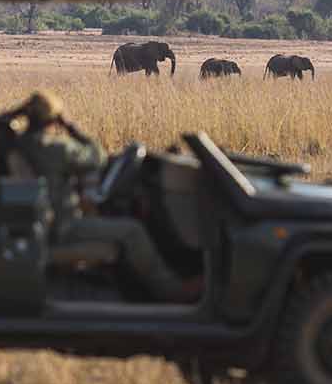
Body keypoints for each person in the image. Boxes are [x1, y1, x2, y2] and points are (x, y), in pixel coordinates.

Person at [10, 92, 197, 302]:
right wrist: (71, 127)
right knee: (133, 231)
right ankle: (171, 290)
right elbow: (97, 156)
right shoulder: (56, 148)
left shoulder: (20, 144)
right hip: (64, 227)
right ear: (53, 118)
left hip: (48, 224)